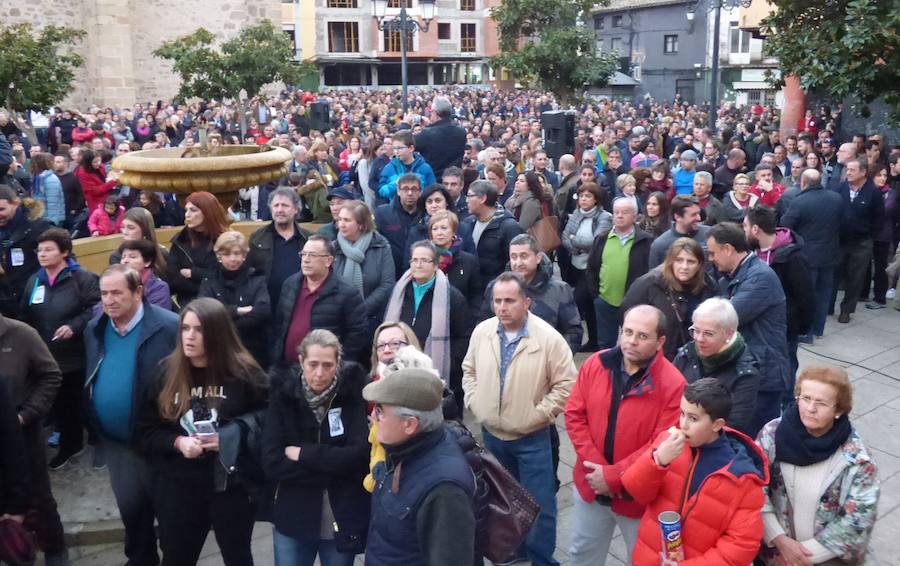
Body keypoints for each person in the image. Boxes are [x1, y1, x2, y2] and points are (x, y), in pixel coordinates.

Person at [138, 298, 268, 566]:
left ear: (217, 333)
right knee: (176, 557)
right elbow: (145, 431)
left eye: (199, 330)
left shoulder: (243, 371)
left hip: (230, 487)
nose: (190, 337)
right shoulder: (166, 372)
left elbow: (268, 418)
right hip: (180, 487)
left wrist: (230, 437)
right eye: (185, 328)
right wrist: (177, 442)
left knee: (238, 556)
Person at [463, 272, 576, 566]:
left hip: (531, 437)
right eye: (497, 301)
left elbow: (566, 385)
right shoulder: (482, 332)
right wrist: (477, 403)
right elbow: (469, 370)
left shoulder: (549, 338)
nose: (502, 307)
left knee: (539, 506)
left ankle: (541, 559)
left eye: (509, 301)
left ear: (526, 302)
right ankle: (515, 552)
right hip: (492, 436)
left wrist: (537, 415)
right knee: (503, 501)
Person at [564, 305, 686, 566]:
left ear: (660, 341)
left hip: (639, 499)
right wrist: (596, 469)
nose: (631, 341)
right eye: (627, 332)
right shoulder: (595, 364)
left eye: (642, 336)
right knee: (582, 555)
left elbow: (660, 443)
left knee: (642, 560)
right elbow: (574, 416)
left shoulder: (674, 384)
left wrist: (613, 476)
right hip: (591, 486)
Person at [85, 265, 179, 566]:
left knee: (170, 519)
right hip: (118, 448)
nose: (109, 301)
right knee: (133, 516)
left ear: (138, 292)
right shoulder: (95, 329)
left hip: (160, 447)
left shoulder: (169, 327)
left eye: (116, 293)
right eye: (103, 294)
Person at [621, 378, 768, 566]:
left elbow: (740, 546)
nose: (683, 424)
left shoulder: (742, 476)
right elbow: (634, 491)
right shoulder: (667, 443)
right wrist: (657, 461)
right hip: (649, 557)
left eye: (693, 418)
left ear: (717, 425)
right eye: (682, 414)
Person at [262, 330, 370, 566]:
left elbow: (359, 456)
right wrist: (333, 466)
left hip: (341, 514)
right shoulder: (283, 398)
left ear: (338, 364)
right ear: (301, 361)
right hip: (294, 515)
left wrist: (303, 454)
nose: (319, 373)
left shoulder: (351, 397)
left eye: (327, 365)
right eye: (313, 364)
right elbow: (272, 462)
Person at [756, 365, 880, 565]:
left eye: (821, 403)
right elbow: (752, 487)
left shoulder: (857, 458)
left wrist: (799, 558)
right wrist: (778, 539)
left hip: (826, 559)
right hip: (775, 551)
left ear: (839, 410)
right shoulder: (772, 434)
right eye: (805, 398)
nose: (810, 408)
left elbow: (857, 520)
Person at [362, 369, 476, 566]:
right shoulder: (402, 449)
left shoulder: (445, 491)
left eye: (380, 411)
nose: (373, 416)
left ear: (410, 425)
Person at [20, 228, 100, 469]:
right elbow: (25, 312)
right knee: (58, 405)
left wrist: (74, 326)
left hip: (74, 355)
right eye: (39, 250)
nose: (42, 254)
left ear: (64, 252)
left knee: (77, 402)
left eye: (48, 249)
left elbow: (94, 308)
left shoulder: (82, 279)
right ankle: (70, 442)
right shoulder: (35, 280)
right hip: (44, 354)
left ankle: (84, 442)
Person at [706, 222, 789, 437]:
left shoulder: (761, 278)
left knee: (755, 441)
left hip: (763, 375)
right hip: (751, 369)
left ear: (728, 249)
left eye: (713, 253)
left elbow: (724, 318)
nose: (711, 258)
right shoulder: (736, 275)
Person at [0, 308, 66, 565]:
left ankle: (55, 548)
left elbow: (51, 375)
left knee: (39, 496)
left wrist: (27, 414)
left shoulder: (22, 334)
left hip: (23, 431)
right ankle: (12, 545)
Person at [384, 240, 471, 414]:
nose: (418, 265)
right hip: (402, 369)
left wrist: (449, 362)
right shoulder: (399, 293)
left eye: (424, 260)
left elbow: (463, 336)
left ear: (436, 265)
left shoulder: (452, 297)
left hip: (437, 371)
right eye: (414, 260)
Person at [745, 205, 814, 390]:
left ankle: (786, 405)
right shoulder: (751, 252)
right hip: (758, 324)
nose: (743, 231)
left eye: (745, 227)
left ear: (755, 229)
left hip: (784, 327)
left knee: (786, 367)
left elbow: (805, 294)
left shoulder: (792, 257)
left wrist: (803, 326)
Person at [273, 235, 368, 366]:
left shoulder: (347, 292)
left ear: (328, 260)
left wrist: (337, 365)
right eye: (303, 254)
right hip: (287, 368)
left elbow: (357, 335)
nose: (305, 260)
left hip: (324, 371)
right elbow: (280, 324)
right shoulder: (290, 284)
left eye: (312, 255)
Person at [673, 298, 761, 434]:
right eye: (696, 331)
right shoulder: (687, 353)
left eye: (708, 333)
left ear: (729, 333)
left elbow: (734, 427)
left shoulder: (746, 374)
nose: (699, 339)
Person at [483, 234, 583, 353]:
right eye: (514, 257)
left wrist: (557, 357)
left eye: (524, 256)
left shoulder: (559, 290)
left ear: (538, 258)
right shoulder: (495, 288)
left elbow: (573, 331)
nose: (518, 263)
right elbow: (485, 327)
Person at [621, 238, 718, 360]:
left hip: (695, 356)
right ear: (670, 262)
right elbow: (626, 316)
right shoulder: (649, 284)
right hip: (657, 356)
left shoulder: (708, 285)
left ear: (699, 265)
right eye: (679, 260)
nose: (684, 266)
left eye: (691, 262)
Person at [780, 169, 844, 341]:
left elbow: (786, 224)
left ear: (803, 182)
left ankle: (807, 333)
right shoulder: (836, 199)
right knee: (824, 294)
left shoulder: (800, 201)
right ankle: (818, 329)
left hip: (808, 255)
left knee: (807, 294)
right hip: (830, 254)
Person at [587, 197, 653, 350]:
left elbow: (648, 272)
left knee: (632, 343)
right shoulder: (602, 238)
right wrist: (595, 294)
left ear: (635, 216)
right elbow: (592, 268)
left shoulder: (645, 241)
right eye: (616, 212)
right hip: (604, 299)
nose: (619, 216)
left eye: (625, 212)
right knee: (605, 344)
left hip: (633, 302)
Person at [199, 231, 271, 367]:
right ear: (219, 256)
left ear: (244, 255)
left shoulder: (256, 278)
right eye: (227, 254)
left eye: (237, 253)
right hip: (219, 350)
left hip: (252, 350)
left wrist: (224, 321)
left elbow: (263, 311)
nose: (233, 259)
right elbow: (205, 313)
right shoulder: (209, 281)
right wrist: (237, 311)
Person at [832, 158, 884, 323]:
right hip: (839, 240)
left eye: (852, 170)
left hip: (861, 242)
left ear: (863, 172)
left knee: (855, 277)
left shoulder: (873, 192)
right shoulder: (840, 188)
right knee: (833, 274)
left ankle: (846, 310)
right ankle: (827, 306)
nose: (848, 172)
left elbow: (879, 219)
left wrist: (869, 236)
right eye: (847, 169)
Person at [332, 200, 396, 335]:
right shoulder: (333, 248)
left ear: (361, 225)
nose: (341, 224)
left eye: (347, 220)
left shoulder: (381, 246)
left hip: (372, 319)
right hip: (338, 319)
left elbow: (387, 284)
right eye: (339, 219)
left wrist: (361, 309)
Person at [561, 182, 612, 350]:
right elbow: (565, 237)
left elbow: (596, 242)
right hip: (576, 265)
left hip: (592, 268)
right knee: (589, 307)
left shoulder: (604, 217)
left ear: (596, 200)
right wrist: (575, 245)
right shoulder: (576, 213)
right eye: (581, 196)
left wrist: (575, 241)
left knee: (578, 300)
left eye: (588, 196)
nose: (583, 199)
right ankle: (593, 341)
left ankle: (570, 340)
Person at [247, 187, 311, 313]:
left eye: (285, 205)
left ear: (296, 209)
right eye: (276, 205)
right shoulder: (257, 238)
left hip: (300, 306)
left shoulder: (308, 239)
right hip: (268, 306)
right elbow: (250, 272)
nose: (280, 210)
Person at [166, 191, 229, 309]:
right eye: (186, 210)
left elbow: (225, 276)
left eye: (193, 210)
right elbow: (173, 278)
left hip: (219, 305)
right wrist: (205, 278)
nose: (187, 215)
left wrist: (193, 273)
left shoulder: (224, 240)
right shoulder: (181, 240)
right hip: (187, 304)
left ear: (207, 212)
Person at [0, 185, 54, 318]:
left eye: (1, 209)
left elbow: (63, 259)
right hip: (7, 303)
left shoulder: (39, 227)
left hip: (37, 300)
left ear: (16, 203)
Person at [460, 180, 524, 290]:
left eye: (470, 196)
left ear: (482, 198)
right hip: (473, 288)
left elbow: (514, 262)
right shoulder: (468, 222)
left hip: (497, 289)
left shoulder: (508, 226)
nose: (466, 200)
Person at [428, 210, 481, 313]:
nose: (439, 232)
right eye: (435, 229)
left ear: (453, 232)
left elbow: (476, 296)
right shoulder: (425, 259)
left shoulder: (468, 261)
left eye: (444, 228)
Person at [375, 172, 424, 279]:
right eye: (405, 189)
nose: (410, 193)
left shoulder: (426, 215)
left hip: (420, 272)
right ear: (398, 191)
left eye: (414, 189)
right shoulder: (383, 213)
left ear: (420, 192)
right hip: (391, 273)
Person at [648, 195, 709, 268]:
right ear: (677, 217)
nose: (699, 218)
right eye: (693, 215)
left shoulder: (710, 235)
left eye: (698, 213)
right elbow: (654, 276)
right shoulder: (660, 245)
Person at [414, 95, 467, 179]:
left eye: (431, 111)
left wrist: (405, 124)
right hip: (454, 181)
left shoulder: (427, 134)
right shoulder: (461, 132)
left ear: (435, 113)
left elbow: (407, 144)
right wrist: (430, 126)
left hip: (433, 181)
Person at [377, 130, 436, 202]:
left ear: (411, 148)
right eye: (394, 148)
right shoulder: (389, 168)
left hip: (420, 210)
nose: (396, 152)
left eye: (400, 148)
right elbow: (382, 191)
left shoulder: (424, 168)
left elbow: (433, 191)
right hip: (396, 210)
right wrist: (395, 184)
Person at [108, 207, 168, 274]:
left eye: (130, 228)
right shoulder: (117, 256)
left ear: (145, 230)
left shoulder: (162, 252)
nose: (124, 232)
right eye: (123, 227)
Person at [74, 148, 119, 212]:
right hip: (96, 202)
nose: (98, 163)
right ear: (88, 162)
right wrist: (112, 183)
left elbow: (103, 180)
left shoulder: (100, 167)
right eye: (95, 162)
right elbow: (94, 191)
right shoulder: (82, 173)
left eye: (99, 160)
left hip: (107, 198)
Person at [29, 153, 65, 225]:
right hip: (41, 219)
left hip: (50, 220)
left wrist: (52, 222)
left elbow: (53, 203)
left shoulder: (50, 179)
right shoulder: (37, 179)